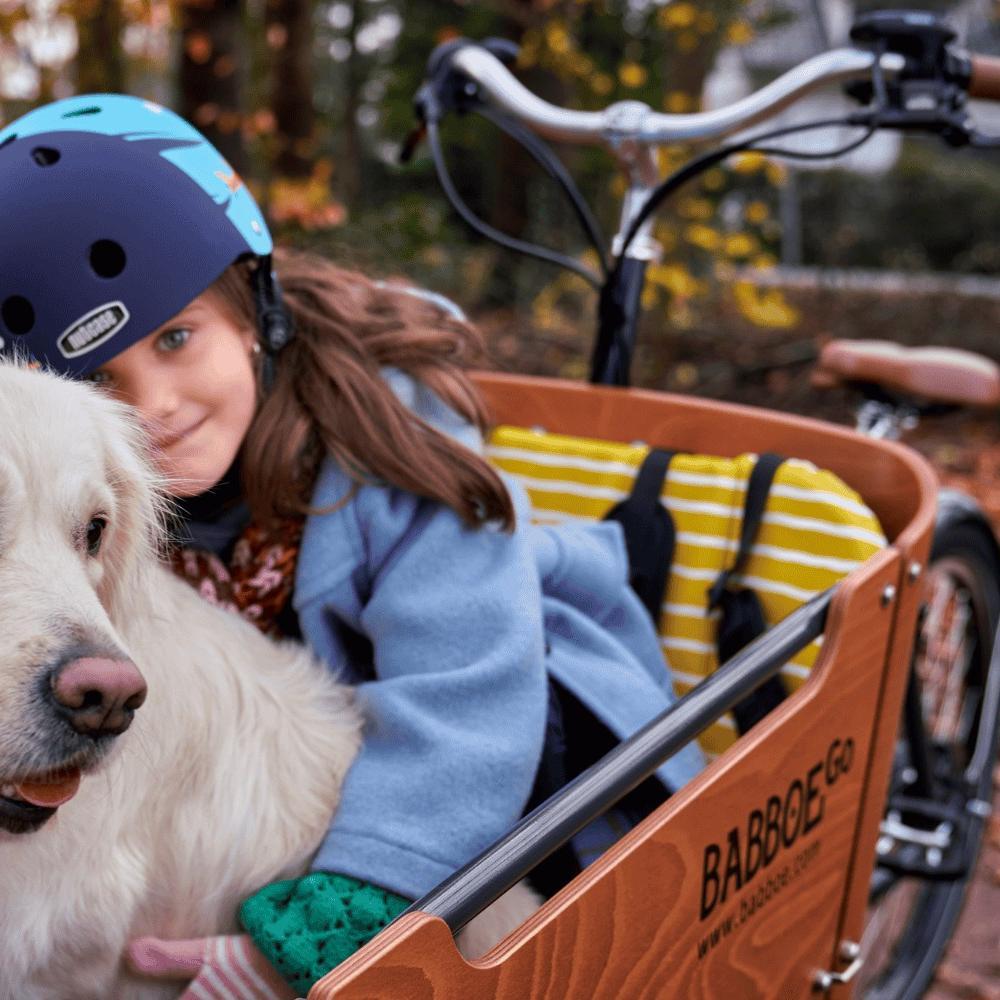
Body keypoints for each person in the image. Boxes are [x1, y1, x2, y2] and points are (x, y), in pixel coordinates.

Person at [0, 94, 705, 997]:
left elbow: (464, 703)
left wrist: (337, 926)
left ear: (252, 311)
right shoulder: (82, 481)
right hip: (317, 754)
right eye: (100, 376)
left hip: (515, 726)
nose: (156, 406)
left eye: (176, 337)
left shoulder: (389, 441)